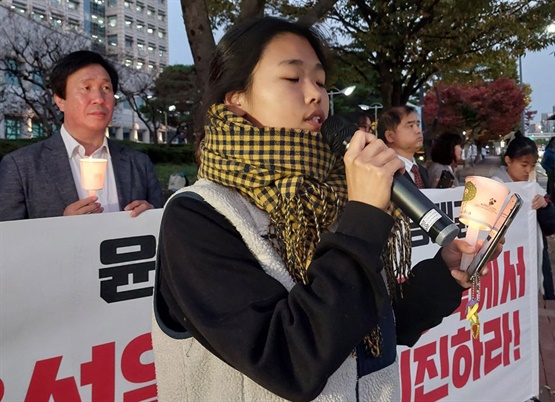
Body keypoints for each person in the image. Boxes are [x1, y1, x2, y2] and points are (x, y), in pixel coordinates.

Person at [152, 17, 502, 401]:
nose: (316, 95)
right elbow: (289, 359)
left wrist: (446, 271)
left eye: (320, 81)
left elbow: (371, 326)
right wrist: (364, 215)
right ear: (237, 99)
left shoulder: (331, 194)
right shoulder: (198, 216)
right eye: (292, 79)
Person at [0, 50, 163, 221]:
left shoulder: (138, 164)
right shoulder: (20, 167)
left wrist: (152, 217)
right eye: (87, 88)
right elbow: (7, 241)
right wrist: (60, 229)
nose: (99, 99)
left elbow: (163, 233)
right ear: (60, 100)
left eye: (106, 88)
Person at [491, 133, 555, 300]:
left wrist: (545, 206)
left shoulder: (534, 188)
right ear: (508, 160)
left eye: (532, 165)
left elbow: (553, 227)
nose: (528, 170)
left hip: (527, 262)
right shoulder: (493, 186)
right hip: (501, 264)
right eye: (524, 164)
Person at [377, 105, 429, 188]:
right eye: (410, 126)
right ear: (390, 136)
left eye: (418, 125)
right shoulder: (383, 172)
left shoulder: (422, 171)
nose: (418, 131)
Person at [541, 137, 555, 205]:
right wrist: (548, 169)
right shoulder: (548, 151)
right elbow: (543, 162)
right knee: (551, 184)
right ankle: (552, 197)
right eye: (554, 142)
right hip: (551, 170)